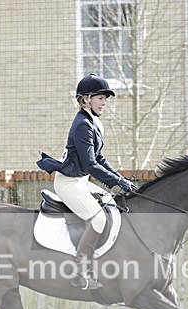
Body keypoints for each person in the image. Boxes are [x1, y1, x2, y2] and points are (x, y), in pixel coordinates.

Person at [37, 74, 136, 290]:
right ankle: (79, 272)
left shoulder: (93, 122)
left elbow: (100, 158)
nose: (104, 103)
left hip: (79, 181)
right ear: (85, 100)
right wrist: (117, 180)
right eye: (100, 98)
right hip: (69, 184)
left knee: (110, 203)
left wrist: (120, 179)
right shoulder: (83, 124)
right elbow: (91, 165)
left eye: (105, 99)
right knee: (98, 219)